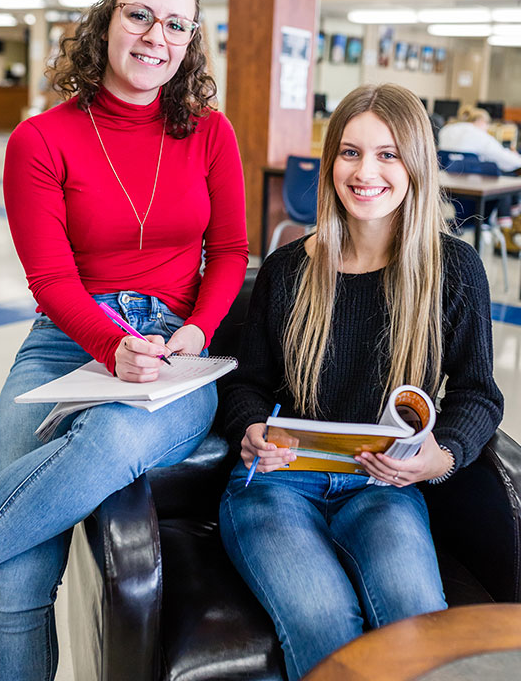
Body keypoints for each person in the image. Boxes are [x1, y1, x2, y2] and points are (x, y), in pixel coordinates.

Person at [0, 0, 248, 681]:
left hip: (174, 347)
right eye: (139, 14)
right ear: (107, 20)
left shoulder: (211, 134)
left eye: (175, 24)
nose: (154, 36)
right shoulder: (41, 140)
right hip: (66, 339)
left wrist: (192, 334)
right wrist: (110, 345)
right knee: (16, 577)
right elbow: (49, 279)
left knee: (111, 434)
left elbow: (228, 252)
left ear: (190, 40)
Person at [219, 84, 503, 681]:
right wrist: (250, 430)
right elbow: (249, 384)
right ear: (330, 164)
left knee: (418, 623)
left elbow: (478, 393)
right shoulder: (289, 268)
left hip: (383, 486)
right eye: (349, 152)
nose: (364, 171)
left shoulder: (453, 271)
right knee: (325, 622)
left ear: (415, 164)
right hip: (277, 484)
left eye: (387, 154)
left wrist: (442, 456)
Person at [438, 104, 521, 248]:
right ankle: (506, 228)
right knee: (505, 183)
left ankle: (504, 228)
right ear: (482, 121)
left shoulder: (446, 130)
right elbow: (508, 161)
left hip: (450, 193)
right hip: (476, 201)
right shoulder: (479, 134)